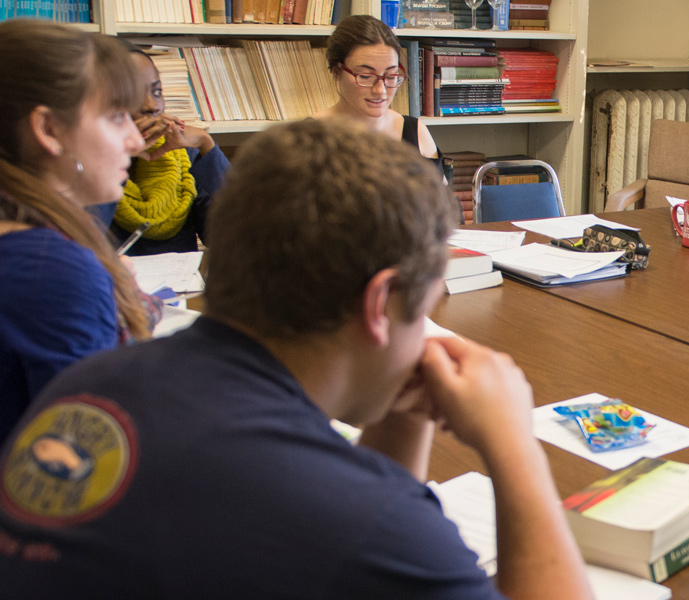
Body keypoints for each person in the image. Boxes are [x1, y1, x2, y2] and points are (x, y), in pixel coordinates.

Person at [0, 118, 593, 600]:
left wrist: (401, 411)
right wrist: (513, 445)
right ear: (381, 303)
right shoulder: (355, 520)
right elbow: (364, 525)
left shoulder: (92, 381)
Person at [0, 21, 150, 435]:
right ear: (48, 129)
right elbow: (91, 457)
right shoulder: (53, 268)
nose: (136, 141)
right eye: (117, 116)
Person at [106, 41, 230, 255]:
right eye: (134, 94)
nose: (152, 106)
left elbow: (233, 235)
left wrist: (206, 144)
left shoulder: (181, 155)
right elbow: (80, 239)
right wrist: (121, 154)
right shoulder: (84, 165)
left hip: (179, 287)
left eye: (157, 92)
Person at [315, 15, 442, 173]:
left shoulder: (415, 132)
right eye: (366, 76)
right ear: (336, 71)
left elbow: (442, 197)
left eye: (390, 77)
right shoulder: (308, 139)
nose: (380, 90)